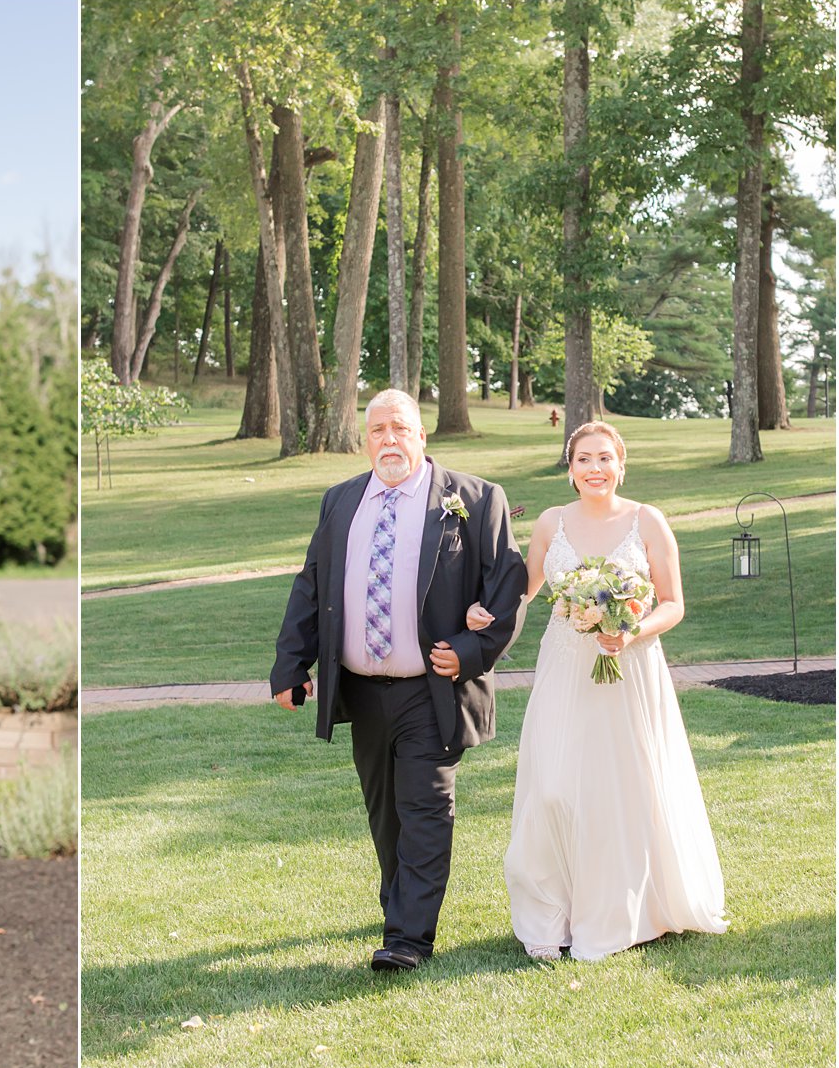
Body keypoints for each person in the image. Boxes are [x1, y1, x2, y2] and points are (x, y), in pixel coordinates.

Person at [271, 389, 528, 971]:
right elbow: (312, 585)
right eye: (377, 430)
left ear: (422, 435)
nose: (389, 439)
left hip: (430, 689)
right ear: (365, 440)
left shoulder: (475, 499)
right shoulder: (341, 502)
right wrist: (291, 664)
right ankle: (401, 907)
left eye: (400, 428)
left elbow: (508, 589)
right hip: (361, 689)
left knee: (425, 808)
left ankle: (409, 938)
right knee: (385, 812)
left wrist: (470, 651)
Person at [466, 421, 727, 961]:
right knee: (555, 786)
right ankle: (552, 911)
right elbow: (522, 592)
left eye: (605, 458)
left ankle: (625, 909)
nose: (595, 469)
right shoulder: (550, 523)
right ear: (570, 469)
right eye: (584, 459)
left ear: (621, 464)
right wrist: (479, 612)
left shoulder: (646, 520)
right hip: (564, 668)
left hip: (630, 670)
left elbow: (673, 604)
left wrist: (630, 630)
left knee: (624, 786)